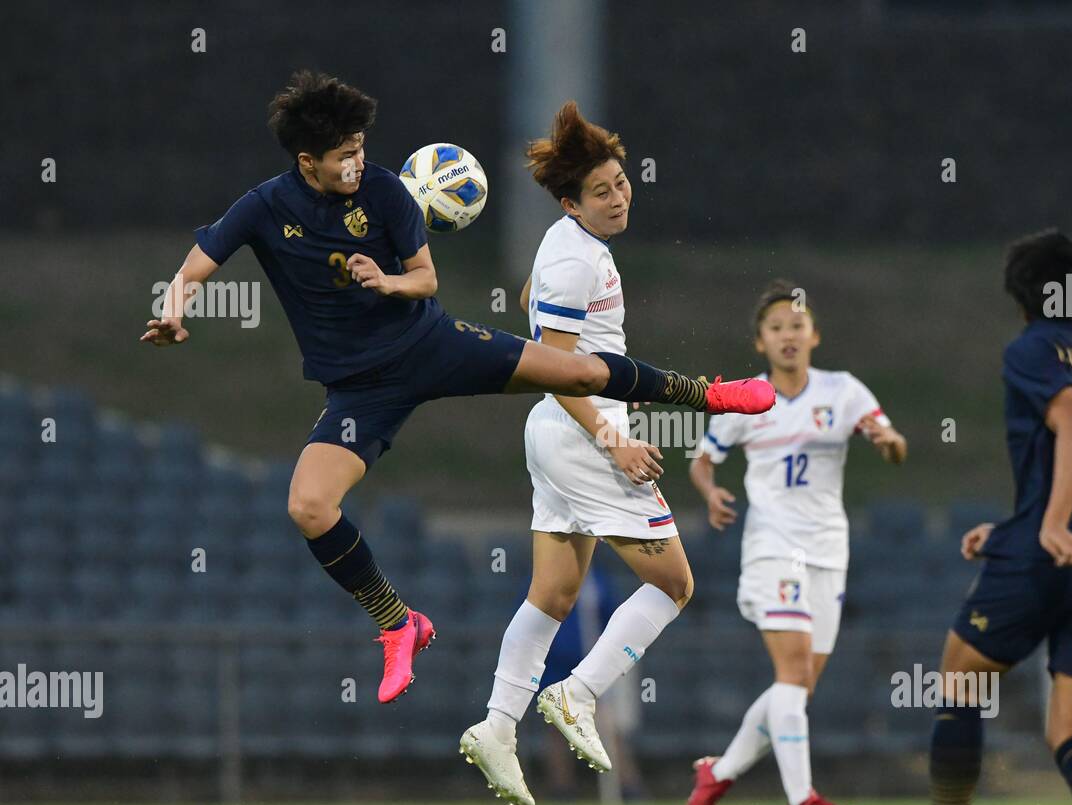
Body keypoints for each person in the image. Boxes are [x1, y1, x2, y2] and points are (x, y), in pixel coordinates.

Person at [141, 74, 774, 706]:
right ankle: (397, 624)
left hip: (433, 347)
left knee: (579, 369)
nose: (358, 163)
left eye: (361, 148)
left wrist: (388, 283)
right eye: (344, 157)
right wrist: (174, 308)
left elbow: (425, 279)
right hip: (362, 391)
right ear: (308, 162)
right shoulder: (265, 207)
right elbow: (200, 262)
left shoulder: (386, 191)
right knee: (308, 505)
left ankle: (708, 395)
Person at [459, 102, 745, 805]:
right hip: (581, 437)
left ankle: (497, 727)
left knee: (552, 595)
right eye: (602, 191)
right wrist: (614, 436)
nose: (618, 197)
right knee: (674, 585)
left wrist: (614, 380)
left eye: (620, 183)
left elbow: (535, 307)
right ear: (569, 202)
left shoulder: (567, 245)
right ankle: (578, 694)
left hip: (562, 431)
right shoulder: (574, 257)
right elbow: (551, 367)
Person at [928, 230, 1072, 805]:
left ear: (1023, 296)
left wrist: (1047, 527)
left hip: (1050, 556)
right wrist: (1012, 528)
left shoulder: (1031, 347)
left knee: (958, 687)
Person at [683, 280, 907, 805]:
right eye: (776, 327)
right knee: (791, 675)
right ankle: (803, 800)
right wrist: (710, 493)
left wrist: (886, 440)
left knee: (797, 688)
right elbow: (702, 459)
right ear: (760, 342)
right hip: (772, 547)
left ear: (814, 335)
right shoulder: (747, 398)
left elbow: (894, 442)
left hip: (830, 549)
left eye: (796, 325)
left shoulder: (843, 390)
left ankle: (719, 772)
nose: (788, 335)